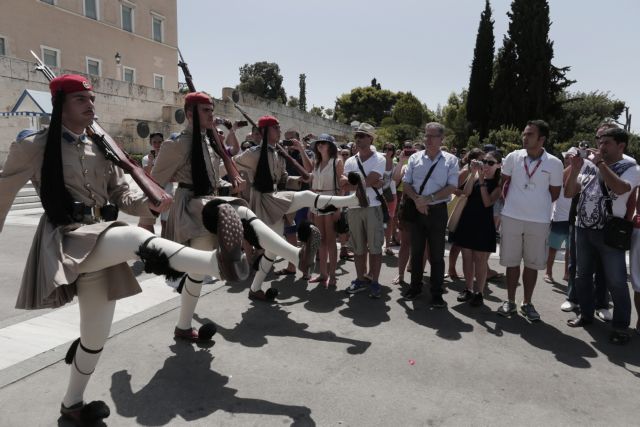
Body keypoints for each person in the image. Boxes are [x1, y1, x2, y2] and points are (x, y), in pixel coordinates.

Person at [0, 75, 253, 425]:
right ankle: (216, 263)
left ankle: (72, 405)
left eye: (91, 99)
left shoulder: (101, 146)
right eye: (80, 99)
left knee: (94, 337)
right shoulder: (34, 145)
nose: (90, 105)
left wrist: (150, 205)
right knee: (132, 238)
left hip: (99, 241)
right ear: (60, 106)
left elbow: (122, 195)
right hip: (67, 238)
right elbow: (3, 193)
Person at [234, 115, 368, 300]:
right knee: (306, 197)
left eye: (279, 127)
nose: (279, 130)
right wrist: (234, 178)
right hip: (264, 202)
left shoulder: (277, 153)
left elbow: (283, 179)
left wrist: (299, 179)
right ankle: (352, 201)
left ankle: (255, 289)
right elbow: (232, 162)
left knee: (271, 251)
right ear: (265, 131)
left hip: (276, 198)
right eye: (275, 128)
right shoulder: (254, 153)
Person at [565, 127, 640, 344]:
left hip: (610, 231)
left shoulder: (631, 168)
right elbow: (569, 192)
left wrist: (600, 164)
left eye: (607, 143)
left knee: (616, 281)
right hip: (583, 227)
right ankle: (586, 314)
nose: (601, 146)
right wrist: (574, 169)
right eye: (600, 142)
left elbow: (621, 188)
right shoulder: (589, 165)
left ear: (621, 146)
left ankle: (620, 326)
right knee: (582, 276)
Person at [497, 120, 563, 321]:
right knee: (511, 262)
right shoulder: (513, 157)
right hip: (511, 217)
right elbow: (503, 183)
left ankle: (527, 302)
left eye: (530, 134)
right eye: (524, 134)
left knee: (532, 264)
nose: (525, 138)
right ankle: (510, 301)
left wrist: (535, 204)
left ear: (542, 139)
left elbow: (554, 193)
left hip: (539, 220)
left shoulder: (555, 163)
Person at [401, 122, 459, 307]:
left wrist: (429, 199)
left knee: (437, 254)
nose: (428, 139)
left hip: (437, 211)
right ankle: (415, 287)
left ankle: (436, 293)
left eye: (432, 136)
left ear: (441, 139)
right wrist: (418, 201)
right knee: (416, 252)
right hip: (417, 209)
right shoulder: (415, 158)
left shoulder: (451, 160)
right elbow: (406, 183)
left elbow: (452, 186)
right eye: (426, 135)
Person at [453, 151, 502, 306]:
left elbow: (487, 202)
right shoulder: (475, 176)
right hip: (467, 221)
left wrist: (481, 180)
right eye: (484, 161)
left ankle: (479, 292)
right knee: (466, 257)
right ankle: (468, 289)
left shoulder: (498, 184)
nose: (486, 165)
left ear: (498, 165)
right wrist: (473, 173)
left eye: (490, 162)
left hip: (483, 224)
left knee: (480, 260)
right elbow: (466, 193)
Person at [342, 123, 385, 298]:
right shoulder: (350, 160)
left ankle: (375, 282)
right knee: (358, 247)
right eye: (357, 136)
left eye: (362, 135)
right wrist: (368, 182)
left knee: (375, 247)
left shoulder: (379, 158)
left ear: (370, 138)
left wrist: (359, 183)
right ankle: (360, 279)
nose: (358, 139)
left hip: (372, 207)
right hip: (354, 207)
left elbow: (368, 181)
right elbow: (344, 184)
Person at [274, 129, 314, 277]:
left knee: (304, 234)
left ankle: (306, 268)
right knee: (289, 233)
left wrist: (301, 149)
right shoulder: (282, 154)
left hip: (303, 198)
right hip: (287, 198)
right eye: (286, 139)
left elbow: (309, 169)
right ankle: (291, 266)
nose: (288, 142)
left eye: (291, 139)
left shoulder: (307, 153)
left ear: (298, 139)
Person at [309, 134, 343, 287]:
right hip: (317, 202)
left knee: (331, 241)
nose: (320, 145)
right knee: (320, 240)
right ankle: (323, 274)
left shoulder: (337, 162)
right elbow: (312, 186)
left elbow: (341, 187)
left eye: (324, 142)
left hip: (331, 202)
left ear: (331, 146)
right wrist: (310, 206)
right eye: (319, 143)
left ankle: (333, 275)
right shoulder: (316, 162)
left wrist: (338, 208)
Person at [544, 149, 573, 284]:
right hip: (559, 218)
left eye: (571, 158)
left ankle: (567, 273)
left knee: (570, 250)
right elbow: (561, 178)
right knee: (553, 248)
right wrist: (574, 165)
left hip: (573, 219)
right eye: (566, 158)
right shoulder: (560, 173)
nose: (568, 160)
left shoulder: (580, 174)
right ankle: (548, 272)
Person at [381, 142, 398, 256]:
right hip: (377, 195)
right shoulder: (378, 161)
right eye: (385, 148)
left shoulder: (395, 163)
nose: (387, 151)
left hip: (391, 194)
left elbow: (396, 179)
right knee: (377, 220)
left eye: (390, 149)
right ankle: (375, 243)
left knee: (389, 220)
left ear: (393, 151)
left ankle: (387, 245)